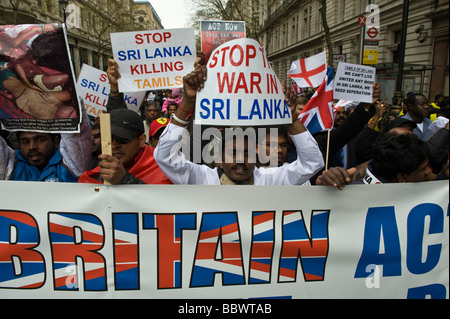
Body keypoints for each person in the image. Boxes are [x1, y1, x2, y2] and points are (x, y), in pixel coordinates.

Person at [153, 64, 325, 185]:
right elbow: (165, 157)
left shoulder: (269, 179)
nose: (241, 160)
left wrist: (289, 115)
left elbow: (312, 162)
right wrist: (188, 103)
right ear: (219, 159)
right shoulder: (202, 179)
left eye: (247, 153)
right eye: (233, 153)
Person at [78, 108, 172, 185]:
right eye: (109, 139)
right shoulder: (93, 178)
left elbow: (163, 204)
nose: (114, 145)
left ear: (141, 140)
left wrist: (125, 180)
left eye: (123, 139)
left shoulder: (164, 168)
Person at [0, 107, 91, 182]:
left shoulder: (70, 164)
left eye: (40, 140)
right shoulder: (13, 164)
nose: (32, 147)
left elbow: (77, 135)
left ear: (55, 141)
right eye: (25, 142)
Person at [316, 132, 434, 188]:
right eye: (423, 168)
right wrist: (326, 190)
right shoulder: (354, 195)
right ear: (401, 177)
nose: (429, 172)